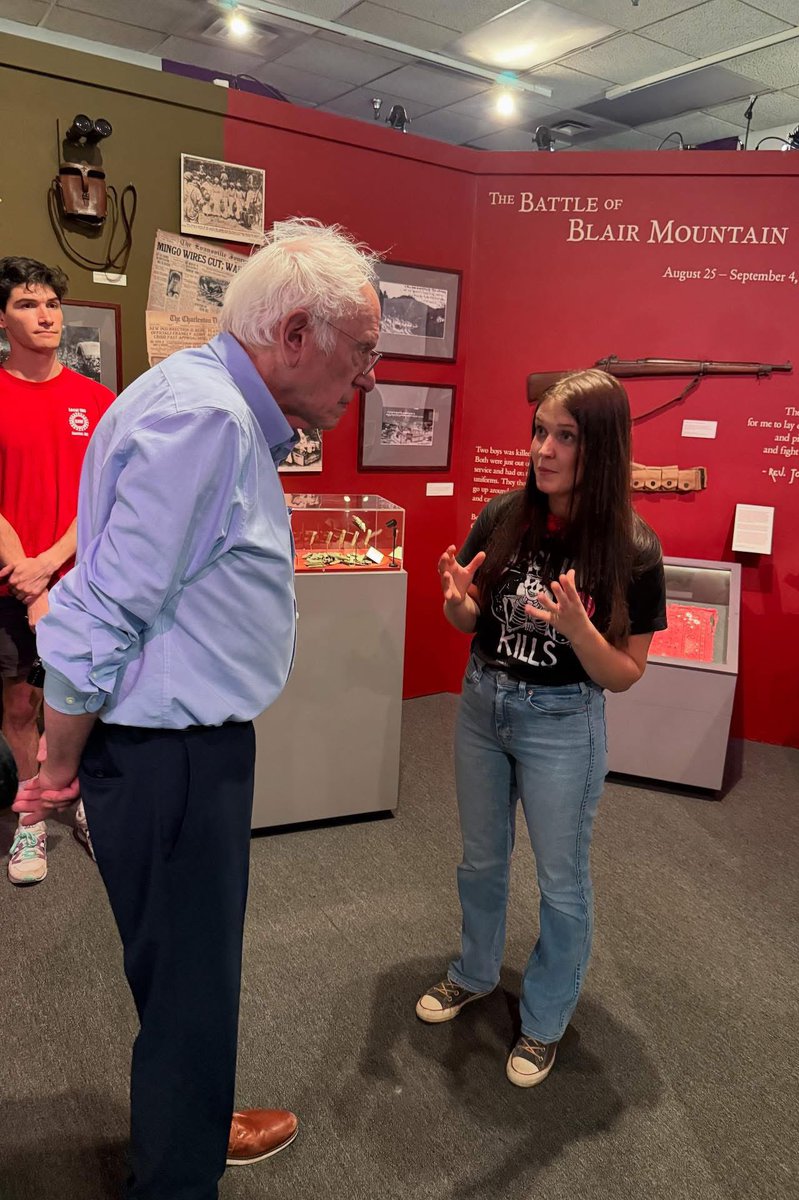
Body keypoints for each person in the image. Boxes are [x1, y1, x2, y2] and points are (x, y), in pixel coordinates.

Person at [14, 218, 383, 1198]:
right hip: (171, 756)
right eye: (365, 349)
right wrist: (55, 768)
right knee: (189, 993)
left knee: (185, 980)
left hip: (171, 751)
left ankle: (194, 1119)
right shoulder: (210, 420)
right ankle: (179, 1172)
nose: (370, 376)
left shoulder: (196, 396)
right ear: (296, 333)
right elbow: (102, 611)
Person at [416, 369, 667, 1087]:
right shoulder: (505, 515)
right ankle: (473, 971)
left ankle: (546, 1020)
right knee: (481, 859)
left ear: (604, 449)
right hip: (483, 707)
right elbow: (468, 620)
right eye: (539, 432)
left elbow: (624, 673)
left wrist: (581, 631)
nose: (543, 449)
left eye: (565, 437)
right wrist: (457, 601)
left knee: (562, 882)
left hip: (563, 724)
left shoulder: (633, 546)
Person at [0, 255, 114, 884]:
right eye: (25, 304)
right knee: (20, 704)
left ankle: (87, 804)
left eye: (49, 304)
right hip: (9, 581)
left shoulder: (96, 401)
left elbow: (105, 499)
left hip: (82, 582)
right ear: (2, 318)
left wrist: (48, 567)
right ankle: (31, 819)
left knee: (86, 700)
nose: (43, 315)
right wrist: (25, 575)